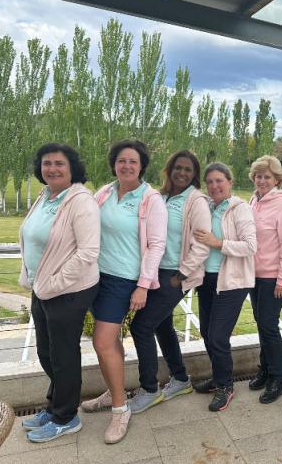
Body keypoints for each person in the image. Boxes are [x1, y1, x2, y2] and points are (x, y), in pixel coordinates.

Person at [80, 140, 167, 444]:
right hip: (94, 276)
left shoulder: (150, 199)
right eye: (121, 160)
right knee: (110, 341)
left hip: (122, 279)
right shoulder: (103, 192)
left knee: (102, 342)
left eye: (133, 161)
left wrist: (143, 284)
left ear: (142, 165)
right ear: (113, 164)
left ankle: (120, 410)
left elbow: (156, 245)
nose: (126, 165)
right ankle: (113, 391)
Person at [19, 144, 100, 443]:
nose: (51, 168)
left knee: (64, 356)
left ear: (72, 168)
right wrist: (38, 281)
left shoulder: (81, 202)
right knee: (46, 352)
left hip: (69, 291)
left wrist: (54, 282)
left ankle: (67, 417)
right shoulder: (46, 196)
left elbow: (89, 252)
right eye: (46, 163)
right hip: (42, 289)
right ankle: (54, 406)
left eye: (59, 163)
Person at [126, 150, 211, 414]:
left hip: (173, 275)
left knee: (141, 326)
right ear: (169, 169)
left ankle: (149, 389)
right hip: (151, 272)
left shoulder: (195, 201)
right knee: (162, 326)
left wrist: (181, 275)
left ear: (194, 174)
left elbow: (202, 244)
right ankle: (181, 378)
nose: (182, 173)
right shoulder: (159, 197)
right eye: (178, 168)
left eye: (188, 169)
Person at [192, 162, 257, 412]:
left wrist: (218, 243)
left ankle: (226, 386)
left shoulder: (240, 209)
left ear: (230, 182)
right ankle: (218, 378)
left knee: (218, 336)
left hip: (231, 282)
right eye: (209, 182)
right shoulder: (207, 206)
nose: (214, 185)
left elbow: (251, 246)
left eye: (219, 180)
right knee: (208, 333)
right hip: (206, 280)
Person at [247, 156, 282, 404]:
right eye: (258, 176)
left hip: (273, 278)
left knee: (268, 325)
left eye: (267, 176)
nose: (262, 180)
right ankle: (265, 370)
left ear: (277, 179)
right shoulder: (254, 200)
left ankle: (278, 379)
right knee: (261, 324)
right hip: (253, 276)